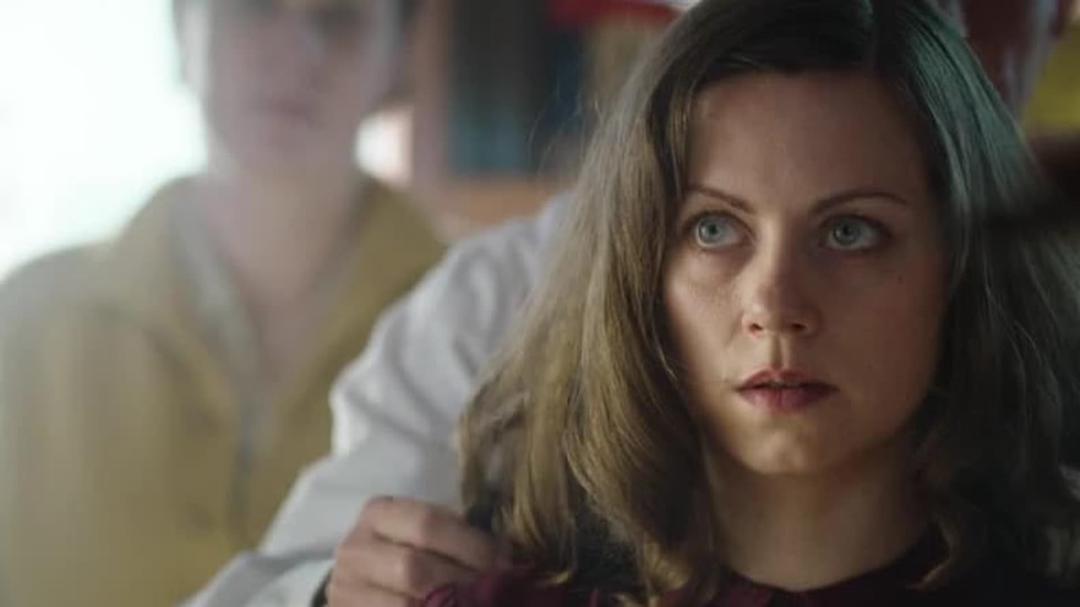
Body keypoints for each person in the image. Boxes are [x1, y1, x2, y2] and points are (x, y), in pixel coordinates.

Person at [190, 0, 1080, 605]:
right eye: (713, 230)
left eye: (852, 232)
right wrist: (335, 590)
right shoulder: (501, 295)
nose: (774, 305)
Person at [0, 0, 442, 605]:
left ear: (397, 56)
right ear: (184, 30)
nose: (296, 53)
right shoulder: (22, 323)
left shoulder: (485, 330)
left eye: (338, 19)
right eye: (252, 7)